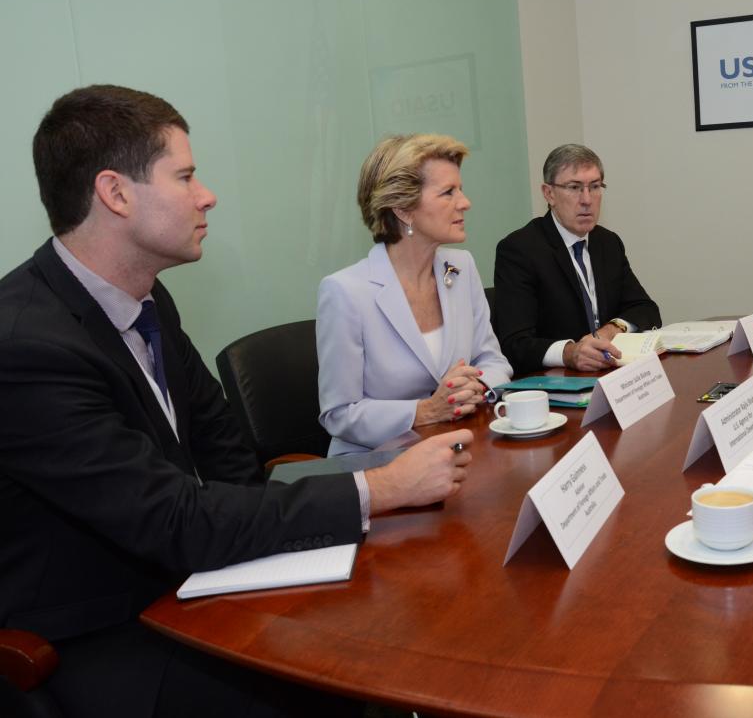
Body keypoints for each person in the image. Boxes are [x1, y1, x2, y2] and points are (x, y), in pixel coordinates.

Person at [0, 85, 474, 717]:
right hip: (96, 631)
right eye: (186, 176)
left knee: (388, 630)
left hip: (190, 578)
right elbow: (170, 517)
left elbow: (227, 458)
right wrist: (379, 490)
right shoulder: (26, 345)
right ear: (115, 193)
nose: (207, 195)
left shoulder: (147, 300)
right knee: (340, 687)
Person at [317, 134, 512, 455]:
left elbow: (492, 359)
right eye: (448, 192)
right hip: (379, 466)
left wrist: (475, 386)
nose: (465, 202)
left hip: (459, 447)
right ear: (404, 210)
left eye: (460, 189)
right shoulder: (345, 292)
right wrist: (424, 411)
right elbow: (339, 414)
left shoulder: (461, 267)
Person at [493, 144, 661, 375]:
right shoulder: (520, 250)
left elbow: (646, 309)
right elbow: (515, 343)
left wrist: (612, 329)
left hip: (609, 373)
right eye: (574, 187)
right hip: (555, 384)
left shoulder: (607, 242)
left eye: (594, 187)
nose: (587, 199)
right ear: (548, 193)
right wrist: (570, 353)